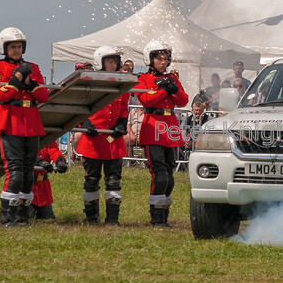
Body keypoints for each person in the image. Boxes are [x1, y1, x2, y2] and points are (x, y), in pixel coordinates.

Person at [0, 27, 50, 227]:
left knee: (27, 172)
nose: (17, 50)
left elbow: (43, 96)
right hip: (10, 122)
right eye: (13, 47)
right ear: (4, 48)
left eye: (20, 46)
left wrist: (28, 82)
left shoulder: (33, 67)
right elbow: (2, 94)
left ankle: (23, 216)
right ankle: (7, 217)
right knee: (14, 171)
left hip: (30, 123)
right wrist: (17, 79)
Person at [136, 40, 188, 226]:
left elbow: (183, 101)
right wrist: (164, 89)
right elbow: (147, 100)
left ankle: (164, 216)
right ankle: (156, 218)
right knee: (159, 173)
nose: (164, 61)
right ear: (150, 59)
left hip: (170, 125)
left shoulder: (172, 79)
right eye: (159, 58)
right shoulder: (143, 78)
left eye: (166, 58)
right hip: (154, 124)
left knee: (170, 174)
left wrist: (171, 88)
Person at [75, 45, 129, 225]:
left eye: (115, 62)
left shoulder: (122, 83)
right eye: (109, 61)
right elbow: (82, 105)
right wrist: (85, 122)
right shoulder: (91, 82)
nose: (112, 65)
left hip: (112, 139)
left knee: (113, 180)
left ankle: (113, 219)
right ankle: (91, 218)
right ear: (101, 62)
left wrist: (122, 123)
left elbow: (123, 108)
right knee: (91, 180)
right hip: (93, 139)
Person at [31, 141, 68, 220]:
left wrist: (60, 161)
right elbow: (24, 153)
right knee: (26, 215)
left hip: (42, 188)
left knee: (47, 217)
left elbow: (53, 150)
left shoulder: (47, 136)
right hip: (25, 186)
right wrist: (40, 162)